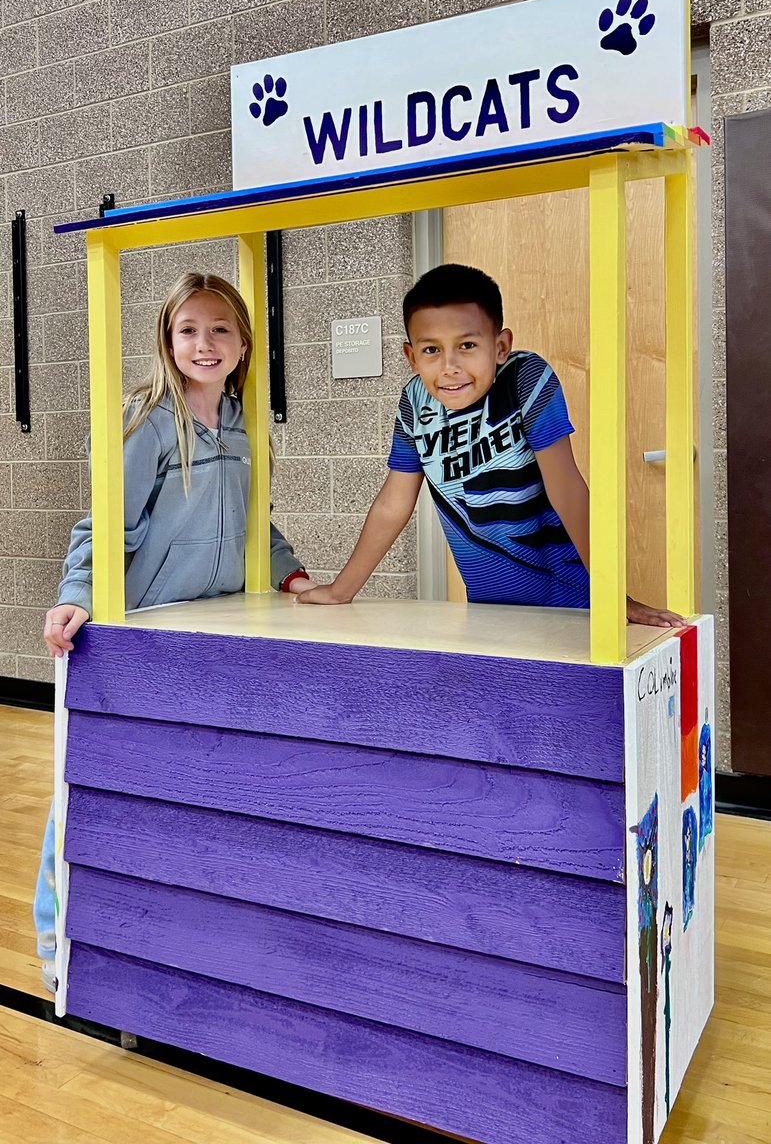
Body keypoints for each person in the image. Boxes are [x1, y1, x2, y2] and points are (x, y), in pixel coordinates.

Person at [36, 271, 314, 991]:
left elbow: (257, 521)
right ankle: (56, 938)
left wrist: (291, 575)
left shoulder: (245, 424)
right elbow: (106, 520)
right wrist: (76, 595)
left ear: (245, 342)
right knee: (94, 781)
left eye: (220, 329)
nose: (204, 343)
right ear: (167, 340)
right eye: (188, 329)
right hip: (144, 630)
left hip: (214, 631)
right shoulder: (147, 420)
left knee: (188, 783)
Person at [298, 262, 685, 629]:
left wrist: (617, 597)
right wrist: (340, 590)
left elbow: (567, 488)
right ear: (411, 356)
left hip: (572, 605)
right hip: (489, 611)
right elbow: (393, 503)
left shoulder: (525, 378)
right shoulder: (415, 401)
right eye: (431, 350)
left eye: (467, 345)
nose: (449, 366)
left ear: (500, 347)